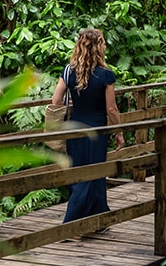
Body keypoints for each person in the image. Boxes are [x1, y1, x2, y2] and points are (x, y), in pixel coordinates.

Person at [51, 28, 125, 231]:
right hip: (97, 131)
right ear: (99, 47)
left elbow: (56, 100)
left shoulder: (68, 71)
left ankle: (99, 219)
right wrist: (119, 132)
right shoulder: (106, 75)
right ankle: (71, 225)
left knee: (80, 173)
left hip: (75, 129)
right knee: (94, 173)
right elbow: (111, 108)